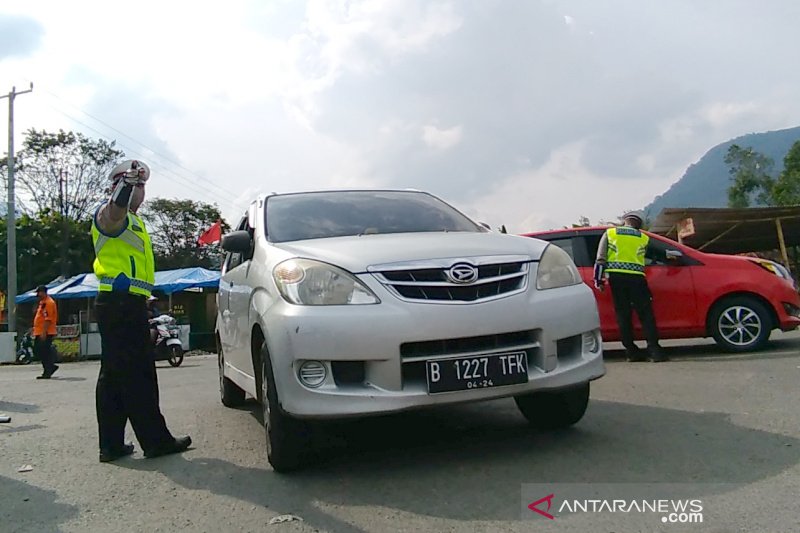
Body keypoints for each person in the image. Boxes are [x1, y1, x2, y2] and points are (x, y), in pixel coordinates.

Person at [92, 159, 191, 463]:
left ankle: (111, 444)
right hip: (119, 305)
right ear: (119, 186)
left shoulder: (136, 222)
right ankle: (156, 441)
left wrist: (144, 298)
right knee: (139, 374)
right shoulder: (110, 213)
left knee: (113, 377)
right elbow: (112, 215)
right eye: (136, 185)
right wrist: (125, 187)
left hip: (125, 303)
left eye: (143, 185)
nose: (141, 191)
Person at [594, 210, 668, 363]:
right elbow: (656, 255)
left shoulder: (611, 233)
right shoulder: (643, 237)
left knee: (623, 314)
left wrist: (599, 280)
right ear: (639, 225)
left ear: (624, 221)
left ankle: (631, 352)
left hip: (616, 278)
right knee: (646, 314)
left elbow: (600, 258)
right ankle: (654, 351)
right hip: (637, 278)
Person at [33, 285, 59, 379]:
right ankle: (50, 367)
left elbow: (48, 319)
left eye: (39, 293)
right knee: (39, 351)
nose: (37, 295)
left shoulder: (49, 303)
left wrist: (44, 332)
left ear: (43, 292)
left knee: (42, 351)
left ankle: (48, 370)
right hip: (39, 331)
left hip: (46, 332)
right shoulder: (42, 302)